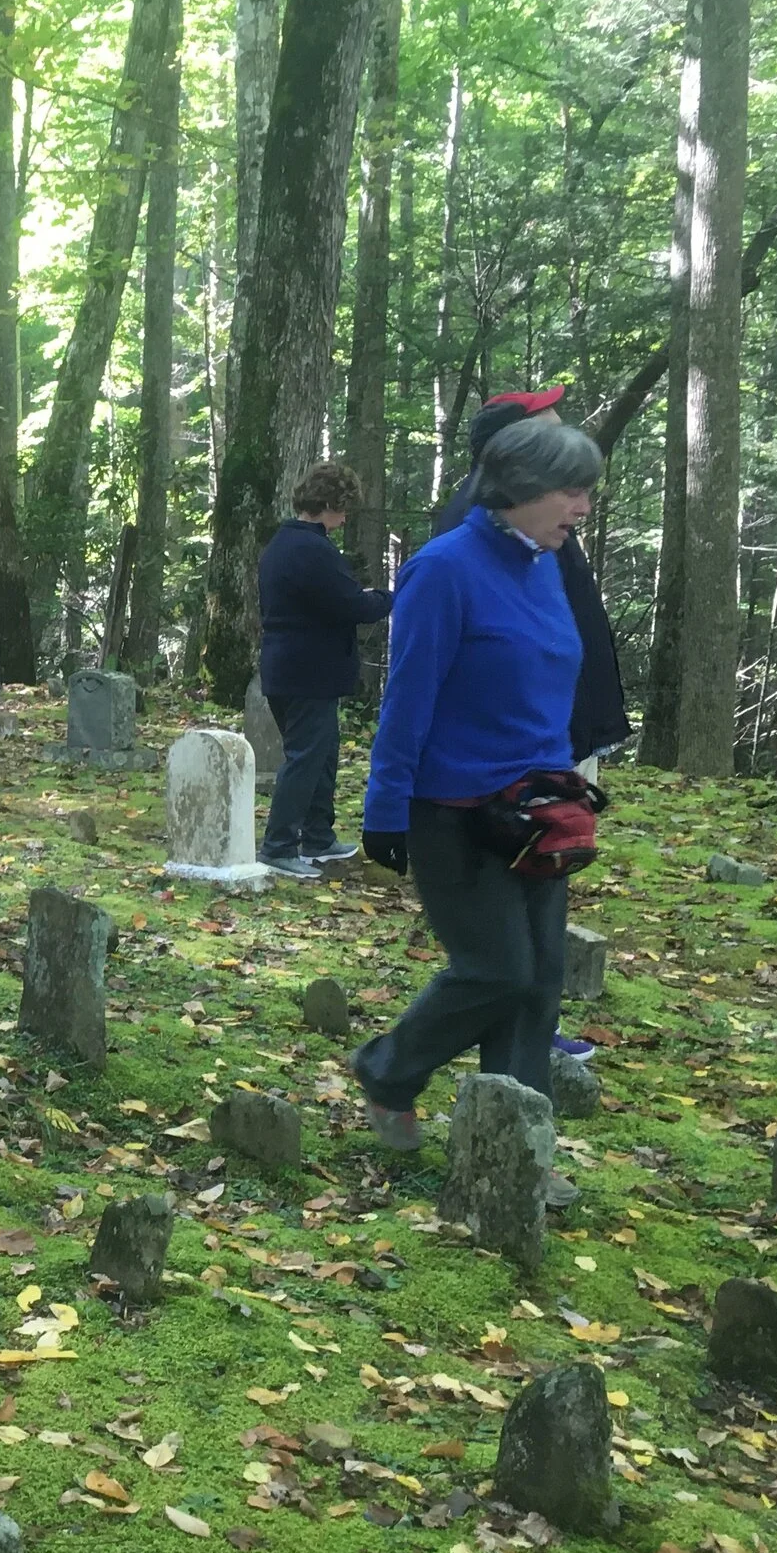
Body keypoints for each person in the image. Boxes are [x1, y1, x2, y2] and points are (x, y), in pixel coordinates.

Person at [356, 421, 606, 1199]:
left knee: (539, 987)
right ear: (520, 488)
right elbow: (409, 697)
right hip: (453, 810)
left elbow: (550, 684)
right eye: (572, 490)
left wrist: (566, 788)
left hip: (539, 809)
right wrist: (386, 805)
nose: (584, 507)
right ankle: (389, 1071)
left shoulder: (549, 562)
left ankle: (515, 1154)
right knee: (497, 971)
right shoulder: (443, 569)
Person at [440, 386, 629, 1063]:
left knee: (541, 910)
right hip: (525, 753)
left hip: (554, 735)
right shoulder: (481, 524)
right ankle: (514, 1043)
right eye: (546, 424)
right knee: (523, 915)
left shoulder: (537, 519)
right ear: (513, 454)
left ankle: (526, 1039)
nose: (563, 431)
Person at [256, 460, 393, 879]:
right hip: (307, 672)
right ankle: (279, 844)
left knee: (322, 754)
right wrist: (387, 598)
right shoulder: (313, 550)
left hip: (289, 667)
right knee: (305, 757)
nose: (346, 516)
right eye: (343, 506)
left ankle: (317, 835)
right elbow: (349, 604)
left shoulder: (282, 543)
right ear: (329, 504)